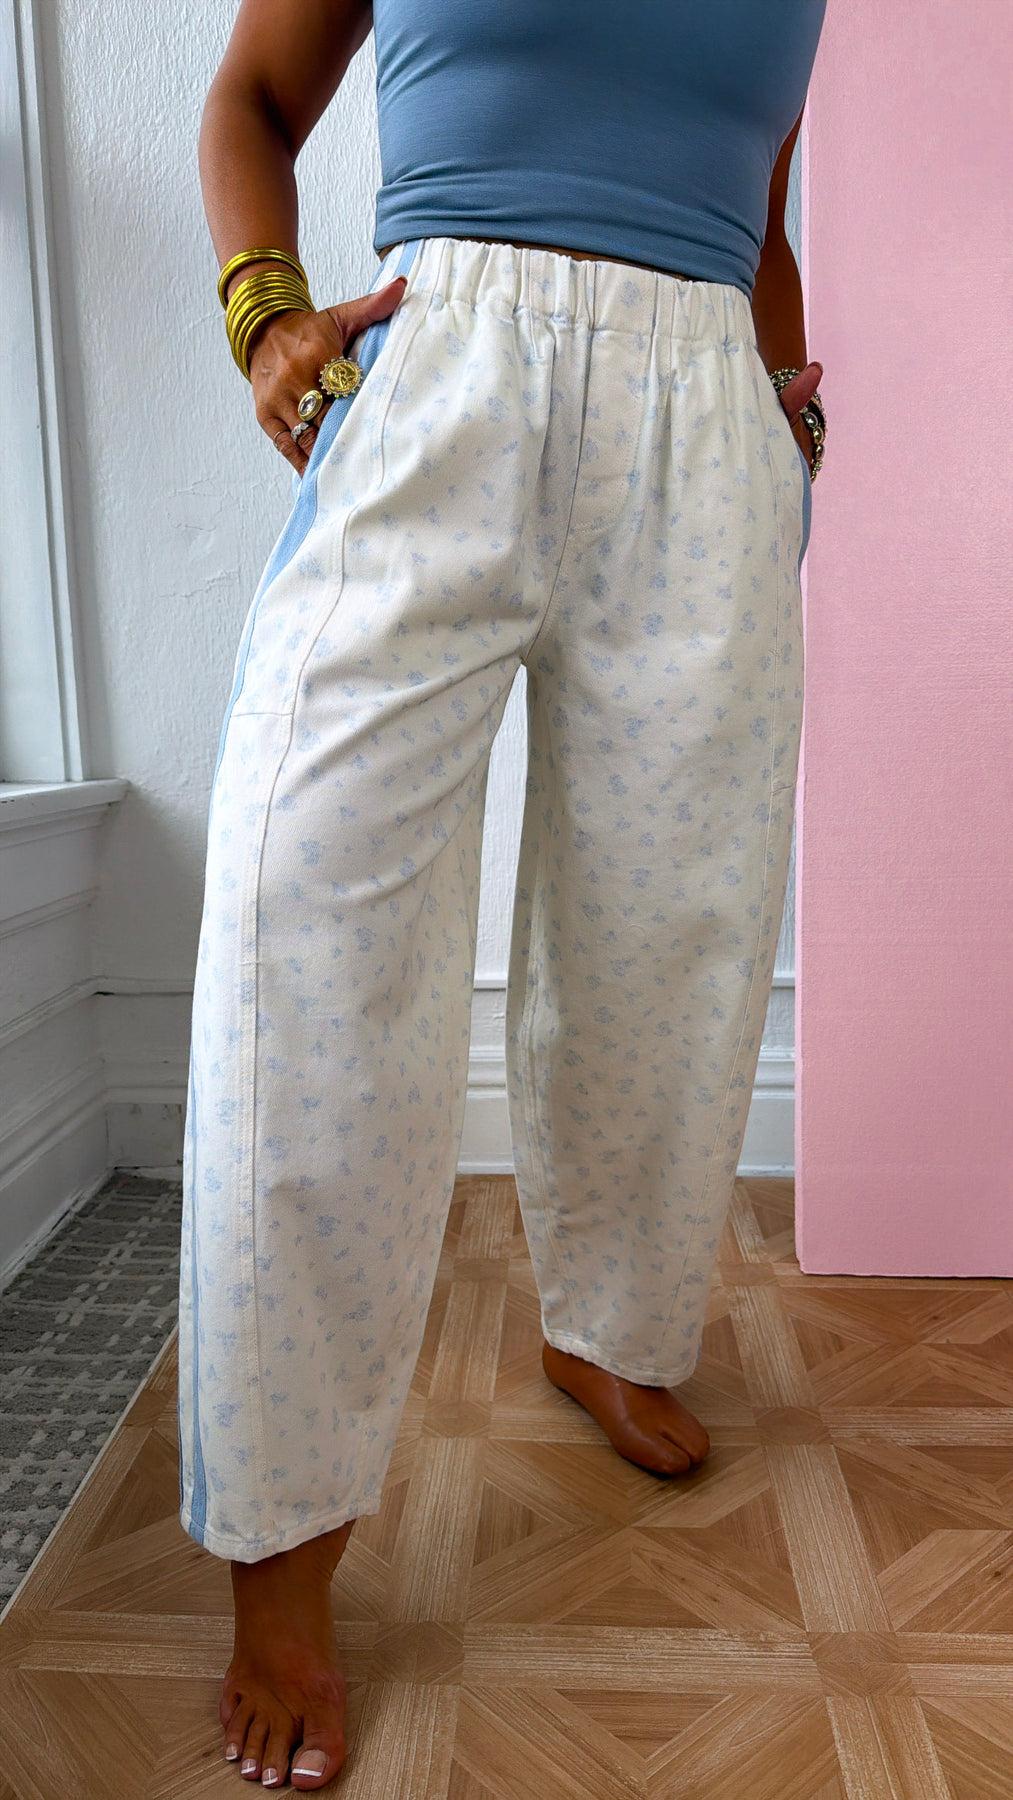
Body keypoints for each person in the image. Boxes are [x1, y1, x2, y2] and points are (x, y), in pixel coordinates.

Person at [178, 0, 828, 1784]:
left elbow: (758, 207)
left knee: (671, 933)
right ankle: (282, 1543)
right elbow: (250, 97)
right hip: (441, 368)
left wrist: (787, 420)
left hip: (705, 420)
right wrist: (264, 312)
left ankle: (610, 1327)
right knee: (302, 934)